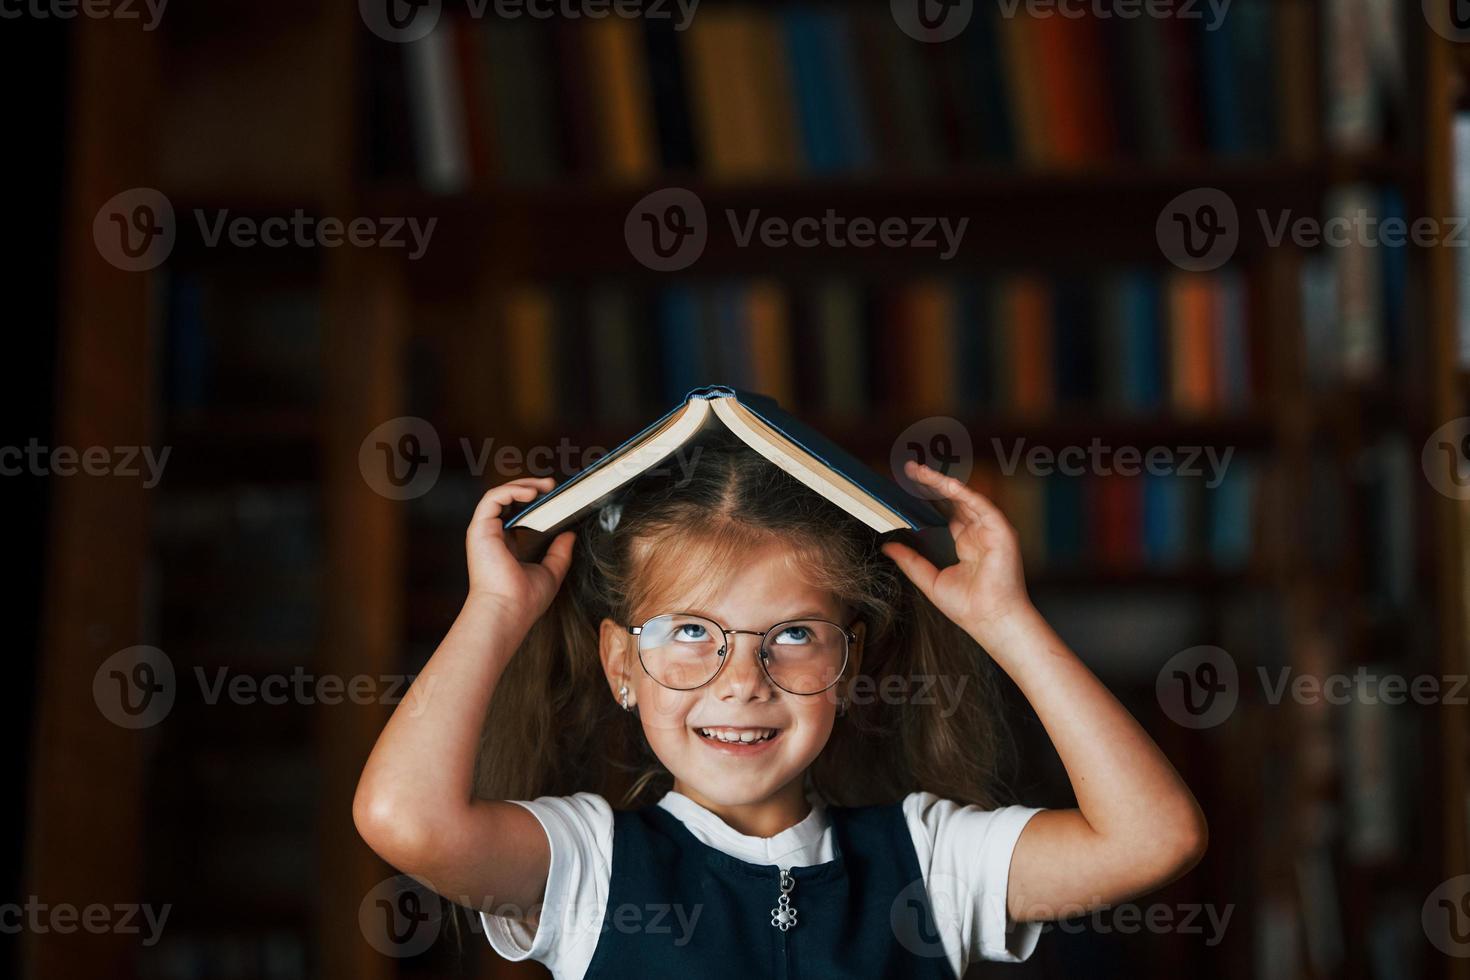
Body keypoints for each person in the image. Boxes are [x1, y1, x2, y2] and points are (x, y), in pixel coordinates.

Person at [354, 432, 1207, 979]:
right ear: (621, 664)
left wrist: (1008, 623)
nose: (742, 679)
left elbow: (1153, 839)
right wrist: (494, 612)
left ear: (850, 663)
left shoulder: (931, 864)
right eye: (691, 630)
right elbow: (405, 820)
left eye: (793, 635)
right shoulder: (589, 868)